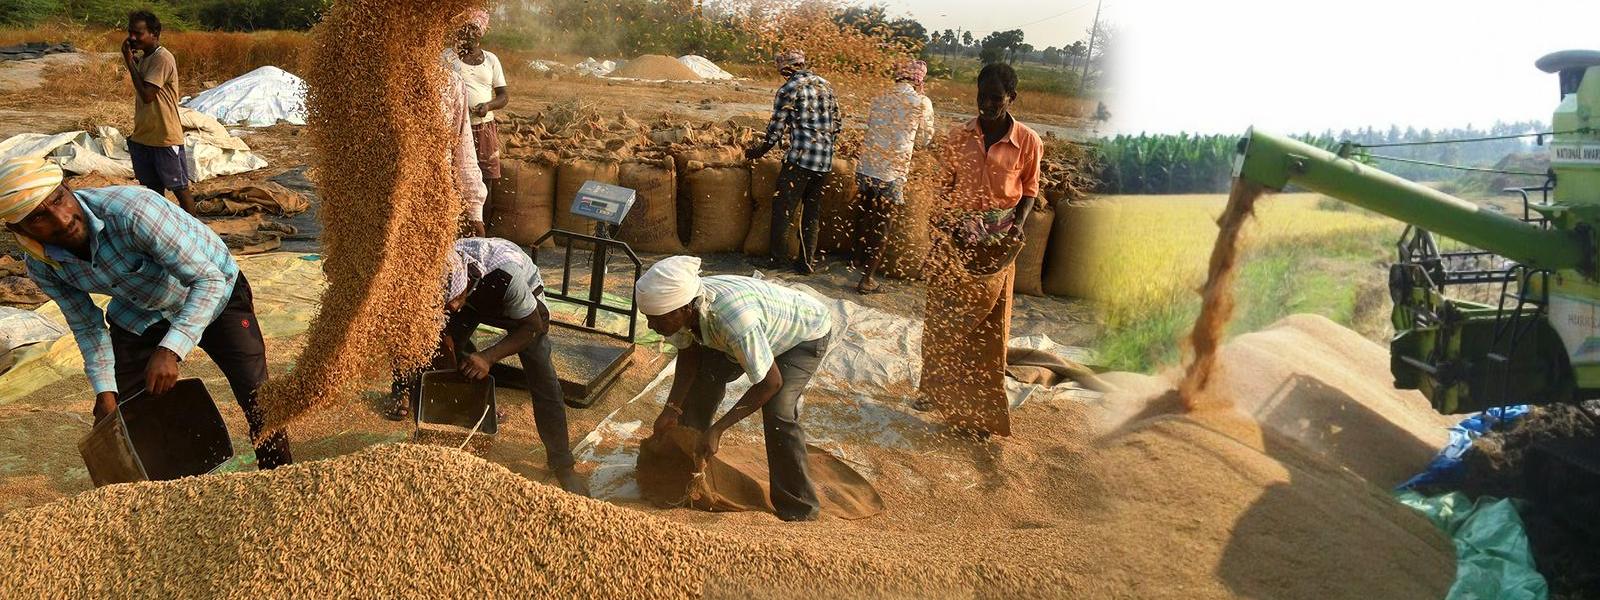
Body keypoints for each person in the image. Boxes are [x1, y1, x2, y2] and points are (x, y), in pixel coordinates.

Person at [0, 158, 291, 469]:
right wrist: (105, 390)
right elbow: (87, 327)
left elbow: (207, 280)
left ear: (68, 188)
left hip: (216, 290)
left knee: (257, 395)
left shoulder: (132, 212)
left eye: (59, 199)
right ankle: (173, 485)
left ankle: (278, 476)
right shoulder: (42, 264)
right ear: (18, 229)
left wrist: (170, 350)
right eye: (38, 217)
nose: (61, 219)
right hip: (139, 310)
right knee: (133, 407)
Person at [386, 237, 587, 496]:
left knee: (543, 379)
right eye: (448, 304)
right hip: (474, 297)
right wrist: (448, 350)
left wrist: (488, 357)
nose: (453, 307)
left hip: (524, 310)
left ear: (467, 284)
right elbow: (448, 313)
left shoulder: (507, 277)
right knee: (442, 348)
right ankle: (454, 424)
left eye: (455, 300)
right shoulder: (445, 268)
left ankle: (563, 465)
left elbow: (533, 328)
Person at [641, 256, 833, 522]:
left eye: (656, 319)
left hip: (802, 337)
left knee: (779, 412)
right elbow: (689, 353)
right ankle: (689, 469)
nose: (652, 326)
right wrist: (671, 409)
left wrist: (718, 430)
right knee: (702, 383)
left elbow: (771, 382)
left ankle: (799, 507)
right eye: (648, 319)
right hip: (746, 331)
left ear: (684, 309)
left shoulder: (733, 322)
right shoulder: (685, 308)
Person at [913, 63, 1042, 435]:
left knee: (988, 324)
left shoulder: (1028, 142)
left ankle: (979, 399)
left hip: (996, 245)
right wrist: (948, 224)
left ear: (1011, 98)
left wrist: (1016, 225)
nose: (986, 104)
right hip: (958, 240)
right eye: (981, 97)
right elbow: (943, 187)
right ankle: (933, 388)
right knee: (943, 318)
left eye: (995, 98)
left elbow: (1029, 190)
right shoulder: (958, 137)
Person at [745, 50, 842, 275]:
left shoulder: (789, 89)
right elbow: (837, 124)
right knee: (812, 211)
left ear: (785, 69)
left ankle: (777, 259)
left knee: (783, 208)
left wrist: (759, 151)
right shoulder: (825, 85)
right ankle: (806, 261)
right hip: (824, 162)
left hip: (799, 160)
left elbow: (776, 129)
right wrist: (824, 146)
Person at [852, 60, 937, 295]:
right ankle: (867, 279)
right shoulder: (921, 102)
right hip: (891, 173)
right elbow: (924, 139)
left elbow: (871, 125)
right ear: (919, 80)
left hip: (866, 165)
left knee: (865, 212)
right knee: (883, 224)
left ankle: (856, 259)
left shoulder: (880, 96)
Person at [122, 10, 195, 214]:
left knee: (180, 189)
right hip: (144, 136)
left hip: (164, 137)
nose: (132, 38)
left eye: (138, 33)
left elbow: (147, 95)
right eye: (130, 32)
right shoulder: (146, 57)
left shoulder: (162, 58)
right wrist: (134, 62)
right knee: (153, 190)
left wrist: (129, 62)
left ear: (154, 34)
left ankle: (198, 233)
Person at [448, 10, 508, 229]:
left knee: (487, 178)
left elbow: (503, 96)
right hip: (455, 129)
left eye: (473, 29)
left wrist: (487, 106)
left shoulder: (491, 60)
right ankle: (460, 226)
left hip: (484, 128)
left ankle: (484, 228)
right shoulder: (448, 57)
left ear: (480, 33)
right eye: (464, 29)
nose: (468, 33)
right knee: (456, 177)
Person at [445, 63, 488, 237]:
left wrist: (474, 211)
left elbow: (463, 150)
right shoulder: (363, 78)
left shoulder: (449, 82)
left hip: (434, 203)